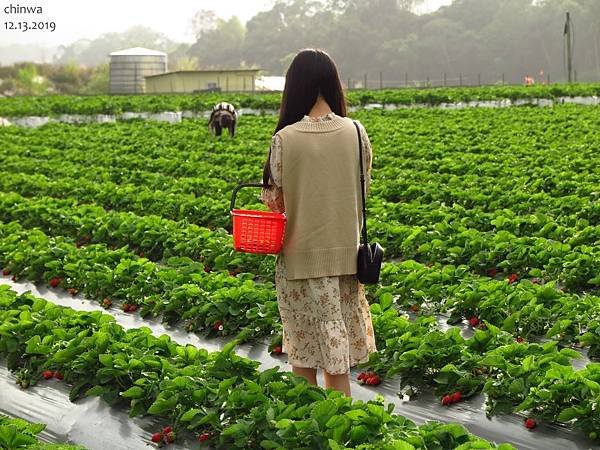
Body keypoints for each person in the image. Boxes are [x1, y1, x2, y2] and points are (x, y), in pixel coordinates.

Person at [261, 48, 376, 397]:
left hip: (300, 261)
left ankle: (310, 427)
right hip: (346, 259)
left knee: (304, 348)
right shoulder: (357, 133)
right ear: (333, 83)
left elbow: (273, 204)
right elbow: (363, 188)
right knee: (335, 347)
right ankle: (340, 427)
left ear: (293, 88)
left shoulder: (284, 140)